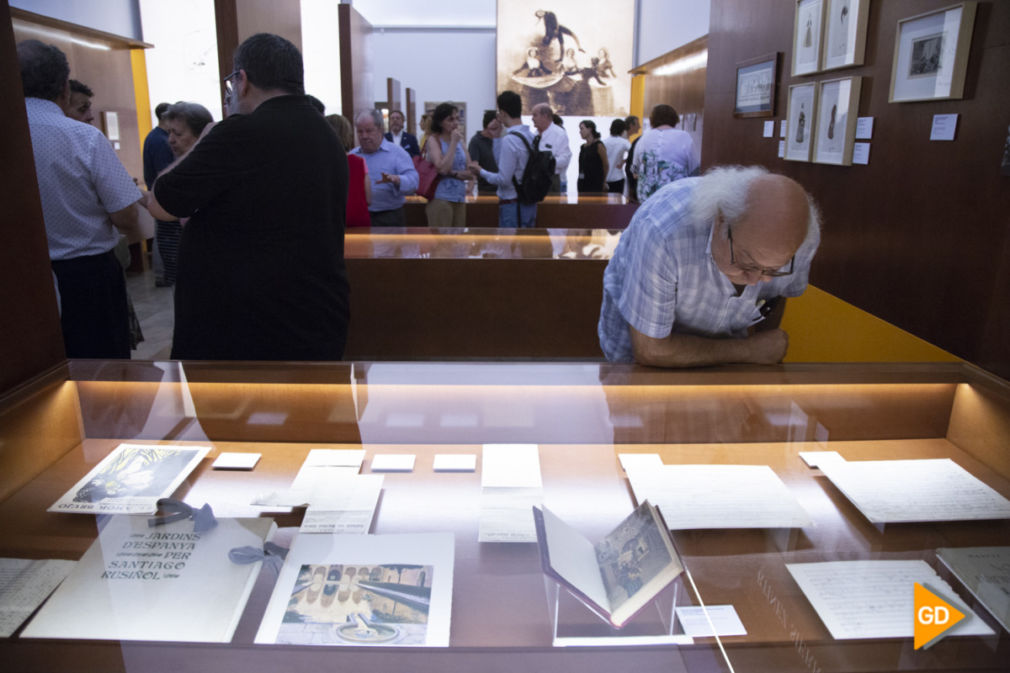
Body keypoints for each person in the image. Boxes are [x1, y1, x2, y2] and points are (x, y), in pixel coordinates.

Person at [145, 33, 350, 361]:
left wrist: (205, 139)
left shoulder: (240, 131)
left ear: (241, 80)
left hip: (245, 327)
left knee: (235, 412)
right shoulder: (324, 133)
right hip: (311, 312)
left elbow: (160, 203)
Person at [598, 166, 821, 368]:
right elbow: (651, 350)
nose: (755, 280)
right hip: (641, 361)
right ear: (721, 219)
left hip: (728, 359)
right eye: (746, 263)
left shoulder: (799, 240)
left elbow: (777, 298)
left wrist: (760, 352)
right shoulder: (664, 232)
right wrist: (749, 350)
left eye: (773, 270)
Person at [19, 39, 143, 358]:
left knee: (38, 369)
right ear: (63, 87)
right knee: (102, 371)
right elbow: (126, 217)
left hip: (19, 275)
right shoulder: (83, 137)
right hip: (87, 275)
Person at [155, 101, 213, 287]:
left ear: (200, 135)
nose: (171, 139)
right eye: (169, 132)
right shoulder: (187, 168)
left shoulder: (204, 171)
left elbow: (158, 203)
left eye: (178, 134)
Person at [469, 90, 536, 228]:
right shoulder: (531, 136)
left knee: (511, 247)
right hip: (529, 201)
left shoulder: (510, 140)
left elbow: (503, 179)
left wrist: (480, 171)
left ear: (503, 113)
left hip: (512, 204)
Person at [350, 108, 419, 227]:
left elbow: (414, 181)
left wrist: (398, 179)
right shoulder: (352, 156)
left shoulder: (397, 153)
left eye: (369, 131)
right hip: (360, 217)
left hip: (390, 217)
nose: (364, 136)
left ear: (380, 130)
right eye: (360, 132)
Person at [631, 104, 699, 202]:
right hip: (675, 199)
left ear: (652, 120)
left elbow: (635, 172)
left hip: (647, 200)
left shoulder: (643, 138)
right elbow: (695, 170)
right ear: (675, 119)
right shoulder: (684, 137)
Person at [142, 102, 177, 286]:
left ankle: (165, 274)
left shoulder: (155, 137)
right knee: (166, 238)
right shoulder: (159, 140)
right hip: (163, 199)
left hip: (159, 198)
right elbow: (166, 173)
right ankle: (165, 275)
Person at [423, 102, 470, 228]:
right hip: (441, 198)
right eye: (450, 119)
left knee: (458, 243)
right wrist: (453, 143)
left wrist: (454, 173)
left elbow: (470, 172)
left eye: (456, 119)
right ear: (440, 122)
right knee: (441, 243)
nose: (455, 123)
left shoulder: (461, 141)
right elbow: (443, 169)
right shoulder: (434, 140)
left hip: (459, 197)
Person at [326, 113, 371, 227]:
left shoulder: (317, 162)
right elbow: (369, 198)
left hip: (329, 221)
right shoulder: (359, 162)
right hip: (357, 220)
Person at [531, 102, 571, 194]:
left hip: (551, 179)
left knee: (550, 208)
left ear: (545, 116)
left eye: (535, 115)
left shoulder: (559, 134)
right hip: (534, 179)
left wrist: (547, 162)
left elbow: (565, 159)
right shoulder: (534, 135)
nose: (532, 119)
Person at [469, 109, 501, 195]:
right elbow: (473, 166)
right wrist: (470, 189)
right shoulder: (476, 141)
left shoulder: (501, 139)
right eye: (494, 128)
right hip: (487, 190)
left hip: (503, 188)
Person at [577, 120, 608, 194]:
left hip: (595, 183)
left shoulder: (598, 145)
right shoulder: (583, 147)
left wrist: (604, 181)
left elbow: (606, 165)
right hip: (582, 182)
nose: (580, 132)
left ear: (590, 129)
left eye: (582, 128)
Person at [602, 118, 631, 194]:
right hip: (618, 177)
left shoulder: (603, 142)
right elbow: (633, 153)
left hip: (604, 178)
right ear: (623, 130)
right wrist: (624, 161)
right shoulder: (624, 142)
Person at [623, 115, 641, 203]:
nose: (640, 127)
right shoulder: (624, 140)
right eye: (638, 124)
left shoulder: (628, 139)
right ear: (631, 125)